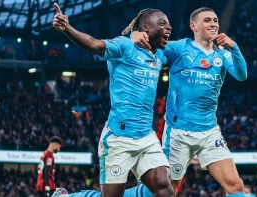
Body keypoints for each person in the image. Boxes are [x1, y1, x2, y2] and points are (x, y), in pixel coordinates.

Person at [54, 7, 247, 197]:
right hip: (145, 134)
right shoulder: (155, 47)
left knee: (172, 188)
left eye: (215, 20)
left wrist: (234, 47)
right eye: (207, 20)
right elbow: (101, 45)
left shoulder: (212, 53)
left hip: (171, 135)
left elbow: (241, 75)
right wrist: (132, 36)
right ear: (193, 26)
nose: (213, 23)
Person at [52, 3, 173, 197]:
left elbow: (188, 50)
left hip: (146, 137)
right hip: (119, 137)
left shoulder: (160, 54)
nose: (169, 27)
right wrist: (67, 28)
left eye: (169, 24)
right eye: (163, 23)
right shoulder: (125, 46)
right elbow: (94, 44)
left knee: (164, 189)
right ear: (145, 28)